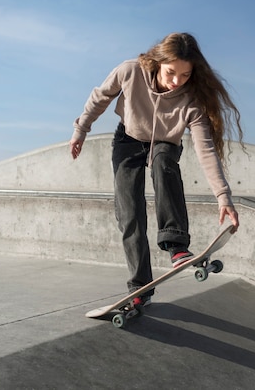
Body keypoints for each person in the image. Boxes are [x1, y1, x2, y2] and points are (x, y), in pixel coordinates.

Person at [69, 32, 244, 307]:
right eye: (171, 72)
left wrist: (223, 196)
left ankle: (177, 247)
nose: (176, 82)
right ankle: (140, 287)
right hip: (128, 140)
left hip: (165, 143)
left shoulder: (192, 102)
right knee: (129, 213)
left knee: (164, 162)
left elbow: (205, 149)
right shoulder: (130, 71)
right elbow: (100, 97)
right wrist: (81, 130)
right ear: (158, 62)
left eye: (185, 75)